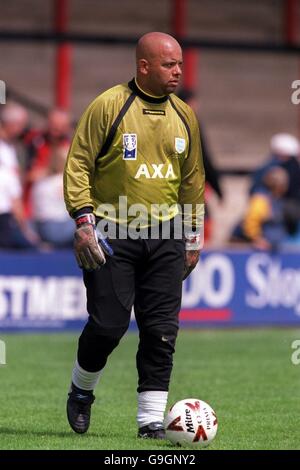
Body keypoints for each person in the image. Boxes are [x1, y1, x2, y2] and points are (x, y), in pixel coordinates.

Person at [63, 32, 205, 439]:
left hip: (168, 232)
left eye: (179, 64)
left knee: (161, 330)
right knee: (108, 326)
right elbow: (78, 165)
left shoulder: (185, 115)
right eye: (169, 64)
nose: (178, 71)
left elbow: (193, 180)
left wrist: (193, 234)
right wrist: (83, 220)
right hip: (110, 229)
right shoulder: (108, 105)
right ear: (144, 66)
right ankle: (81, 389)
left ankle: (150, 423)